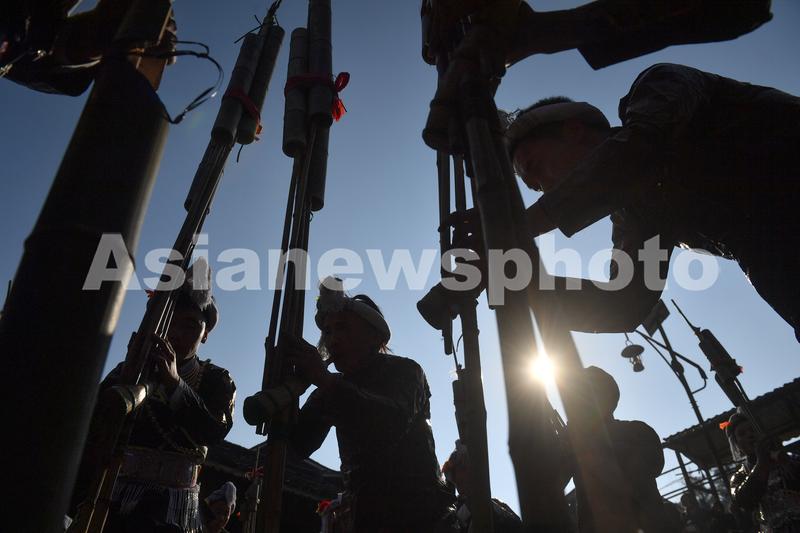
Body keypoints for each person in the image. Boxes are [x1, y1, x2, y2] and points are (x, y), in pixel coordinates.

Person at [498, 63, 800, 340]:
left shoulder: (659, 85)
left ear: (574, 131)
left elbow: (642, 149)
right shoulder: (639, 214)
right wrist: (512, 281)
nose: (546, 190)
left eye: (536, 168)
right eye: (535, 189)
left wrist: (523, 224)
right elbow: (622, 303)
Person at [243, 277, 455, 533]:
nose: (332, 340)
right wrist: (284, 393)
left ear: (374, 336)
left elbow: (391, 422)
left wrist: (323, 380)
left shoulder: (406, 371)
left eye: (342, 328)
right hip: (366, 519)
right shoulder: (330, 388)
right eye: (328, 332)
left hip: (424, 518)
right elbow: (297, 446)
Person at [71, 258, 236, 533]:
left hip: (175, 509)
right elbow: (92, 424)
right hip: (112, 496)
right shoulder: (129, 369)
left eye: (190, 326)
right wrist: (130, 371)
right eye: (171, 322)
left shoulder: (217, 379)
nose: (177, 334)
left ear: (205, 334)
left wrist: (175, 383)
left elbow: (215, 429)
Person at [559, 366, 668, 533]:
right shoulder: (574, 442)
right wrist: (561, 449)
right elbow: (549, 487)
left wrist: (584, 445)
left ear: (608, 397)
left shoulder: (637, 431)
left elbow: (644, 473)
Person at [726, 410, 800, 532]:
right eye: (742, 434)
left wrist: (786, 461)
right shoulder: (739, 476)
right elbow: (745, 501)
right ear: (736, 444)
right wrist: (762, 463)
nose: (750, 435)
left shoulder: (785, 458)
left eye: (752, 430)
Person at [441, 440, 522, 533]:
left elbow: (517, 526)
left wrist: (490, 507)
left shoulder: (497, 506)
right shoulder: (452, 512)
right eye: (456, 471)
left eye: (465, 468)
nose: (460, 477)